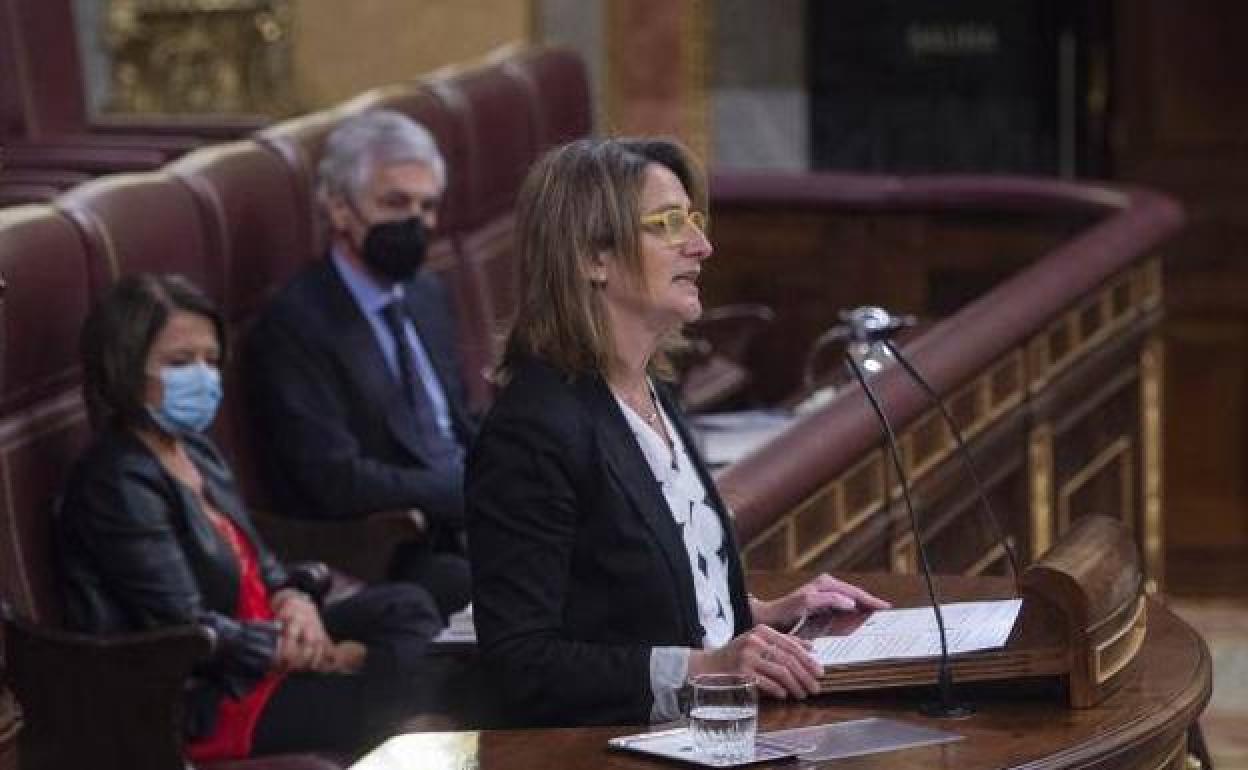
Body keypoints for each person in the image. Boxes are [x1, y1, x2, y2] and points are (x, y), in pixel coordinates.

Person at [466, 138, 891, 727]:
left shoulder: (655, 393)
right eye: (668, 224)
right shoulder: (532, 431)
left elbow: (640, 599)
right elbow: (521, 665)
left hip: (710, 729)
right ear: (593, 258)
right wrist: (709, 667)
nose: (701, 244)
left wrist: (766, 616)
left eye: (693, 220)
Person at [57, 274, 445, 761]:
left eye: (210, 361)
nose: (202, 376)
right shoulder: (115, 482)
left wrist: (296, 599)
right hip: (216, 693)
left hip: (263, 642)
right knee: (420, 691)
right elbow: (183, 627)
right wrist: (294, 651)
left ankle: (399, 724)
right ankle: (403, 727)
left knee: (408, 606)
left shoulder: (195, 449)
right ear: (124, 369)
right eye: (179, 363)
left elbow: (262, 564)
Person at [246, 109, 473, 620]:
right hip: (388, 548)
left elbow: (457, 421)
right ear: (338, 207)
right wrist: (465, 490)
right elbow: (335, 480)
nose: (415, 222)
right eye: (395, 203)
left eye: (427, 206)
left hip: (471, 519)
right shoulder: (296, 323)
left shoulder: (426, 292)